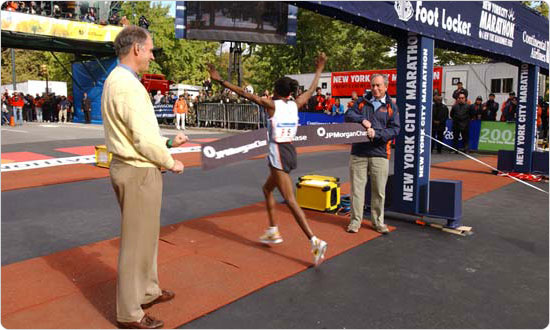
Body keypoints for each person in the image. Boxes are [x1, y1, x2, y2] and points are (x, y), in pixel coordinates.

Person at [207, 52, 329, 266]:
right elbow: (310, 90)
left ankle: (315, 240)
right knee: (266, 189)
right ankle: (273, 230)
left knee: (290, 201)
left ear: (276, 92)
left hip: (279, 154)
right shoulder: (296, 103)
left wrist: (220, 80)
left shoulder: (272, 106)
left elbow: (246, 94)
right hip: (290, 151)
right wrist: (319, 68)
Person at [101, 26, 187, 329]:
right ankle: (129, 313)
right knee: (136, 243)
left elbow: (138, 134)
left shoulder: (119, 80)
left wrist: (165, 143)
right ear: (136, 49)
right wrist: (170, 160)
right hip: (138, 169)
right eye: (149, 49)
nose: (151, 55)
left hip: (132, 165)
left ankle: (148, 290)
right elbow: (141, 140)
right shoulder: (128, 86)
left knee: (146, 237)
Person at [344, 74, 400, 234]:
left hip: (380, 153)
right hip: (358, 153)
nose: (375, 88)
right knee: (357, 190)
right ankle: (355, 222)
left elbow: (395, 130)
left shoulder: (392, 106)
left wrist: (377, 134)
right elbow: (348, 115)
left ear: (386, 87)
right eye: (373, 85)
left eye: (378, 85)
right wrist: (362, 120)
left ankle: (378, 222)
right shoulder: (361, 102)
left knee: (379, 191)